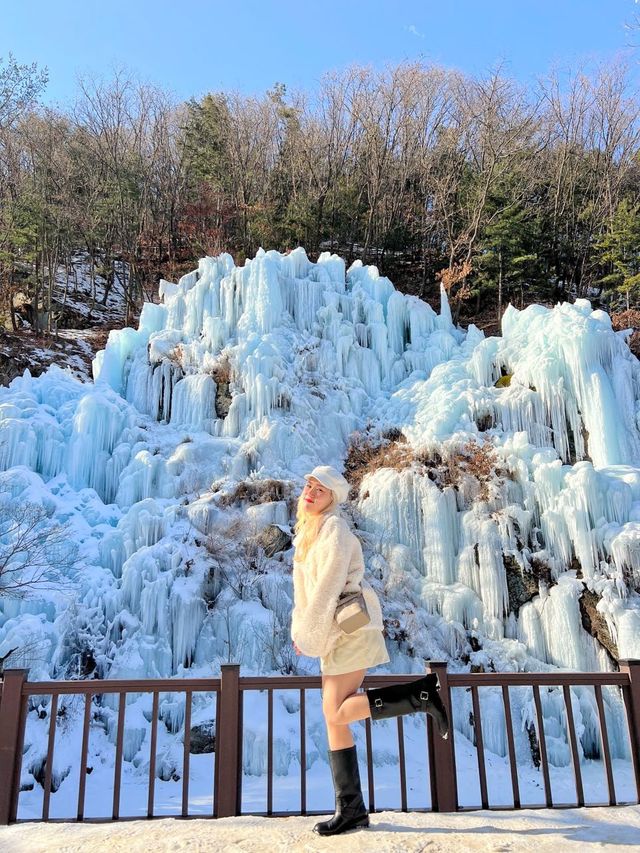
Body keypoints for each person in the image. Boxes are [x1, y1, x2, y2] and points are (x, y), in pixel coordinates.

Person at [291, 464, 449, 836]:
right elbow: (307, 595)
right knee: (334, 716)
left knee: (334, 711)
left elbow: (327, 589)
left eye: (321, 490)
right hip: (334, 631)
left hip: (348, 629)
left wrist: (308, 633)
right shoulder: (310, 532)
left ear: (333, 498)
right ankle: (352, 810)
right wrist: (306, 632)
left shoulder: (334, 530)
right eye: (309, 486)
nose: (311, 493)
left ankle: (419, 695)